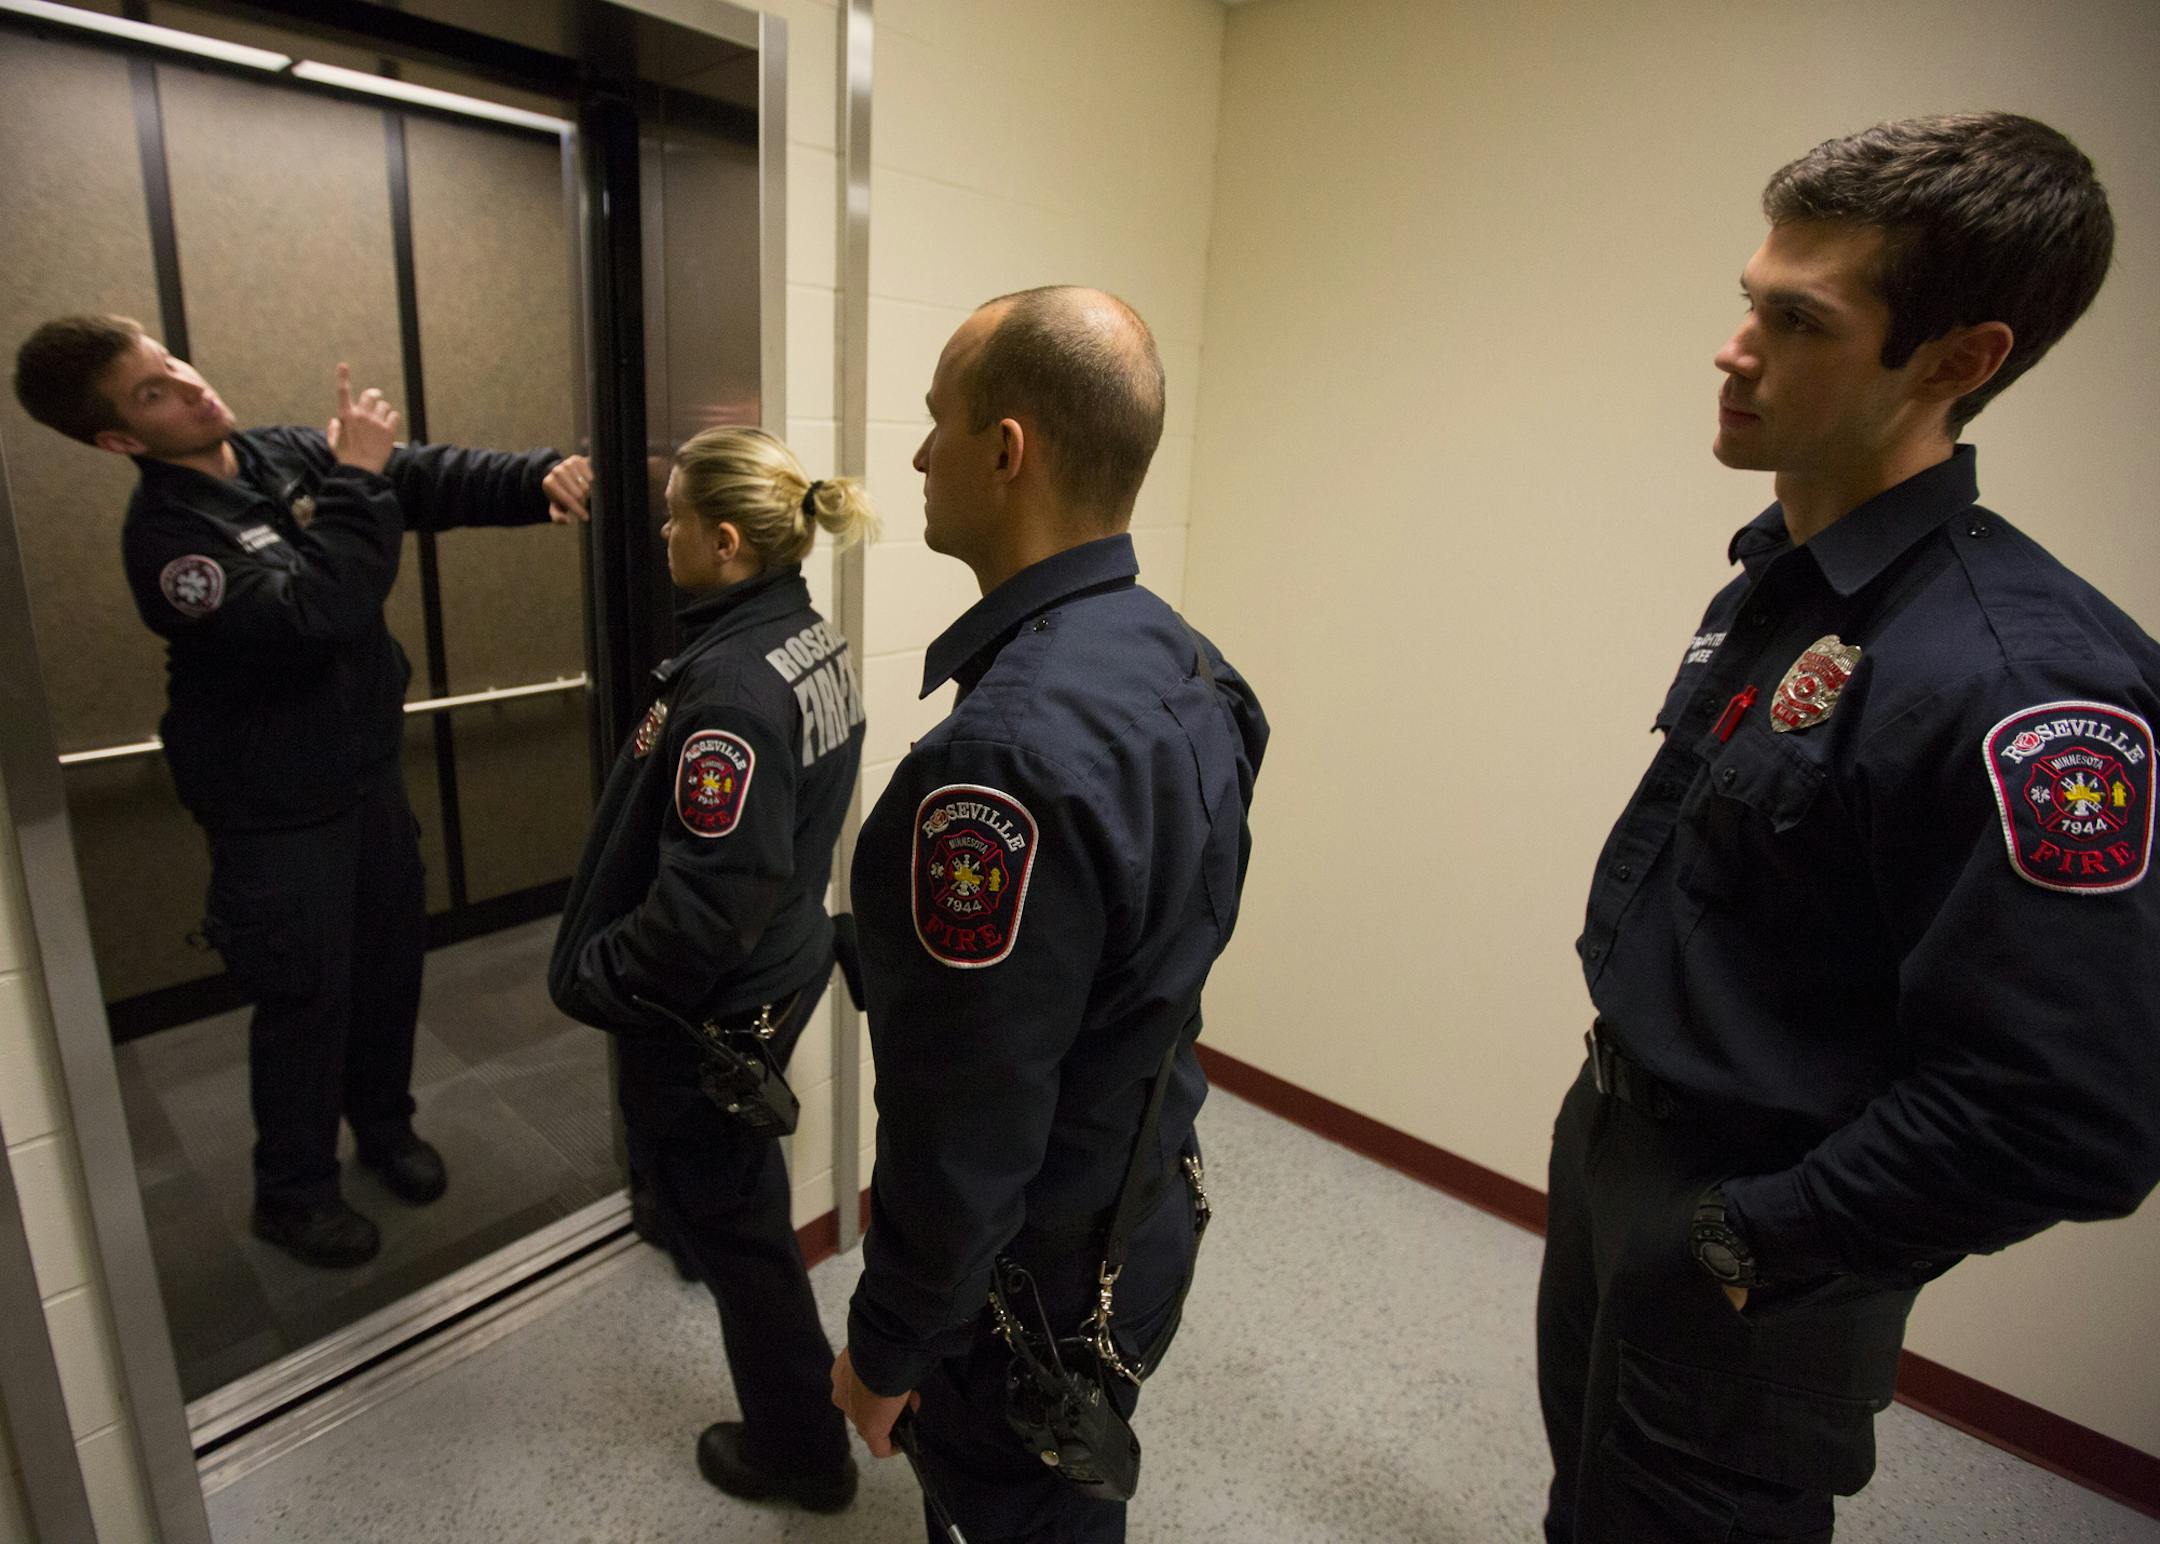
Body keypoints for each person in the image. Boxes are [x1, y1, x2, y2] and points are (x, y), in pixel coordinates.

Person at [1538, 113, 2160, 1542]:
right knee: (1591, 1510)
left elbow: (2072, 1111)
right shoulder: (1789, 578)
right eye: (1749, 298)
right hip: (1621, 1147)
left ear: (1957, 361)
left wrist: (1757, 1244)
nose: (1733, 347)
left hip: (1758, 1238)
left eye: (1796, 319)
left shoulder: (2023, 683)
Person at [11, 315, 593, 1268]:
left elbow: (421, 478)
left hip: (360, 776)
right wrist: (358, 479)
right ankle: (292, 1191)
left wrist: (539, 477)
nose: (192, 387)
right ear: (119, 439)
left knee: (387, 966)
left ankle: (385, 1127)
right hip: (274, 811)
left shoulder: (274, 450)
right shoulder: (171, 546)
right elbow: (316, 614)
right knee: (306, 997)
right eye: (153, 392)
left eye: (174, 365)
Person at [829, 286, 1268, 1544]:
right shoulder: (1187, 659)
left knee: (1016, 1513)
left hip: (1035, 1277)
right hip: (1144, 1194)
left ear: (1007, 449)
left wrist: (888, 1343)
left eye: (936, 423)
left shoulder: (1002, 761)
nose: (918, 456)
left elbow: (966, 1127)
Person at [547, 426, 873, 1515]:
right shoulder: (807, 640)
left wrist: (599, 976)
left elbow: (703, 907)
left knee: (744, 1242)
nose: (665, 531)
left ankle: (801, 1451)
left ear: (726, 540)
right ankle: (701, 1233)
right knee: (732, 1206)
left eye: (677, 515)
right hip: (772, 978)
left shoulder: (731, 687)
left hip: (710, 1016)